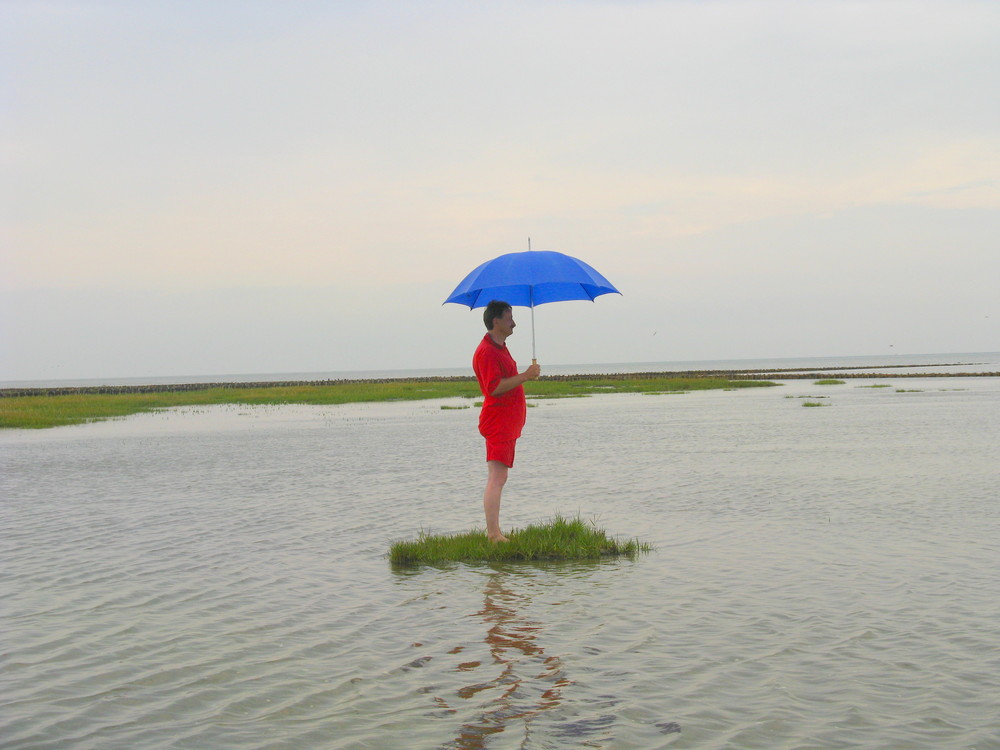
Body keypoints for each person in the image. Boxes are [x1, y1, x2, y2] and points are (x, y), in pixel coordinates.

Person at [472, 300, 541, 542]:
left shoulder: (500, 347)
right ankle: (493, 534)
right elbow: (494, 388)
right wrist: (525, 375)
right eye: (509, 317)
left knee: (500, 477)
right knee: (497, 477)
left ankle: (495, 532)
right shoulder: (487, 351)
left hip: (506, 422)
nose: (514, 323)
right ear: (496, 321)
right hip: (498, 422)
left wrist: (522, 376)